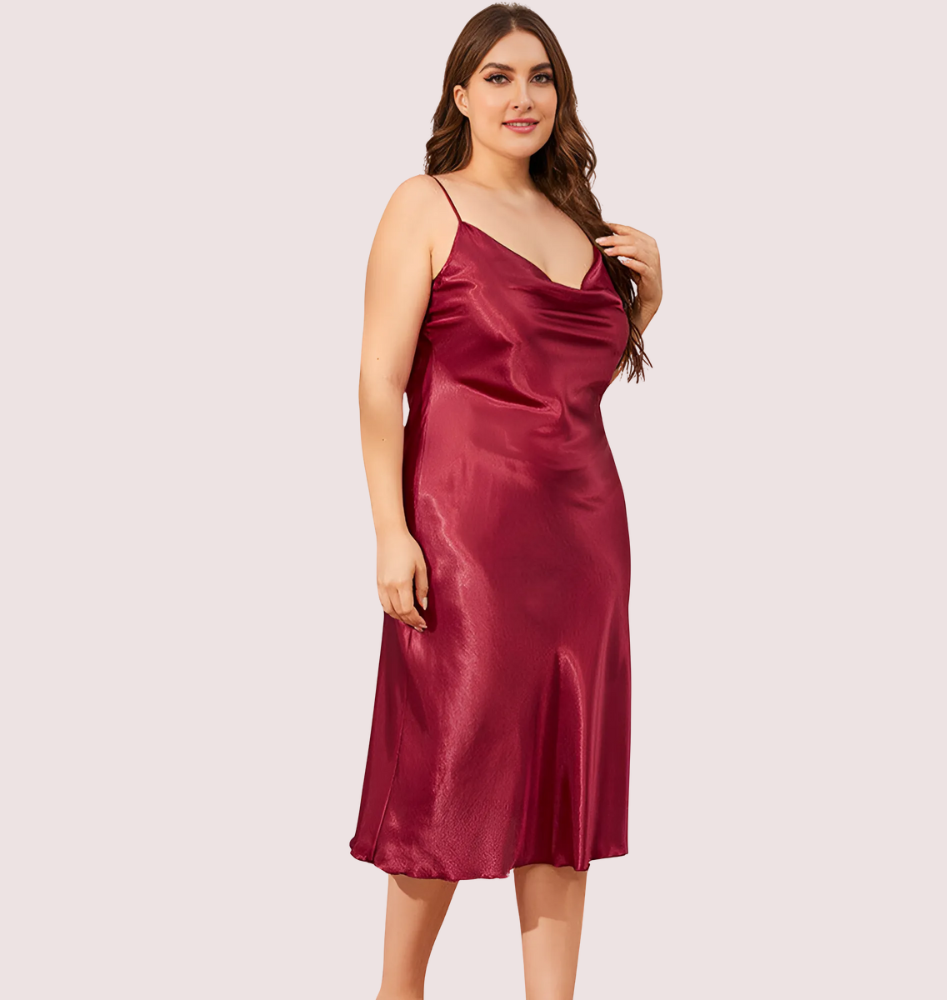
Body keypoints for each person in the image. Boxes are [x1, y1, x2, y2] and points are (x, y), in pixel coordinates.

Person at [350, 5, 661, 998]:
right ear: (460, 94)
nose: (521, 96)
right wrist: (391, 532)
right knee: (445, 762)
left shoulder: (581, 224)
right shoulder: (425, 204)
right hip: (464, 533)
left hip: (585, 539)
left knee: (566, 779)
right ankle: (397, 991)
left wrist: (647, 300)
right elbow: (378, 383)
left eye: (539, 77)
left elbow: (575, 377)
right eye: (497, 77)